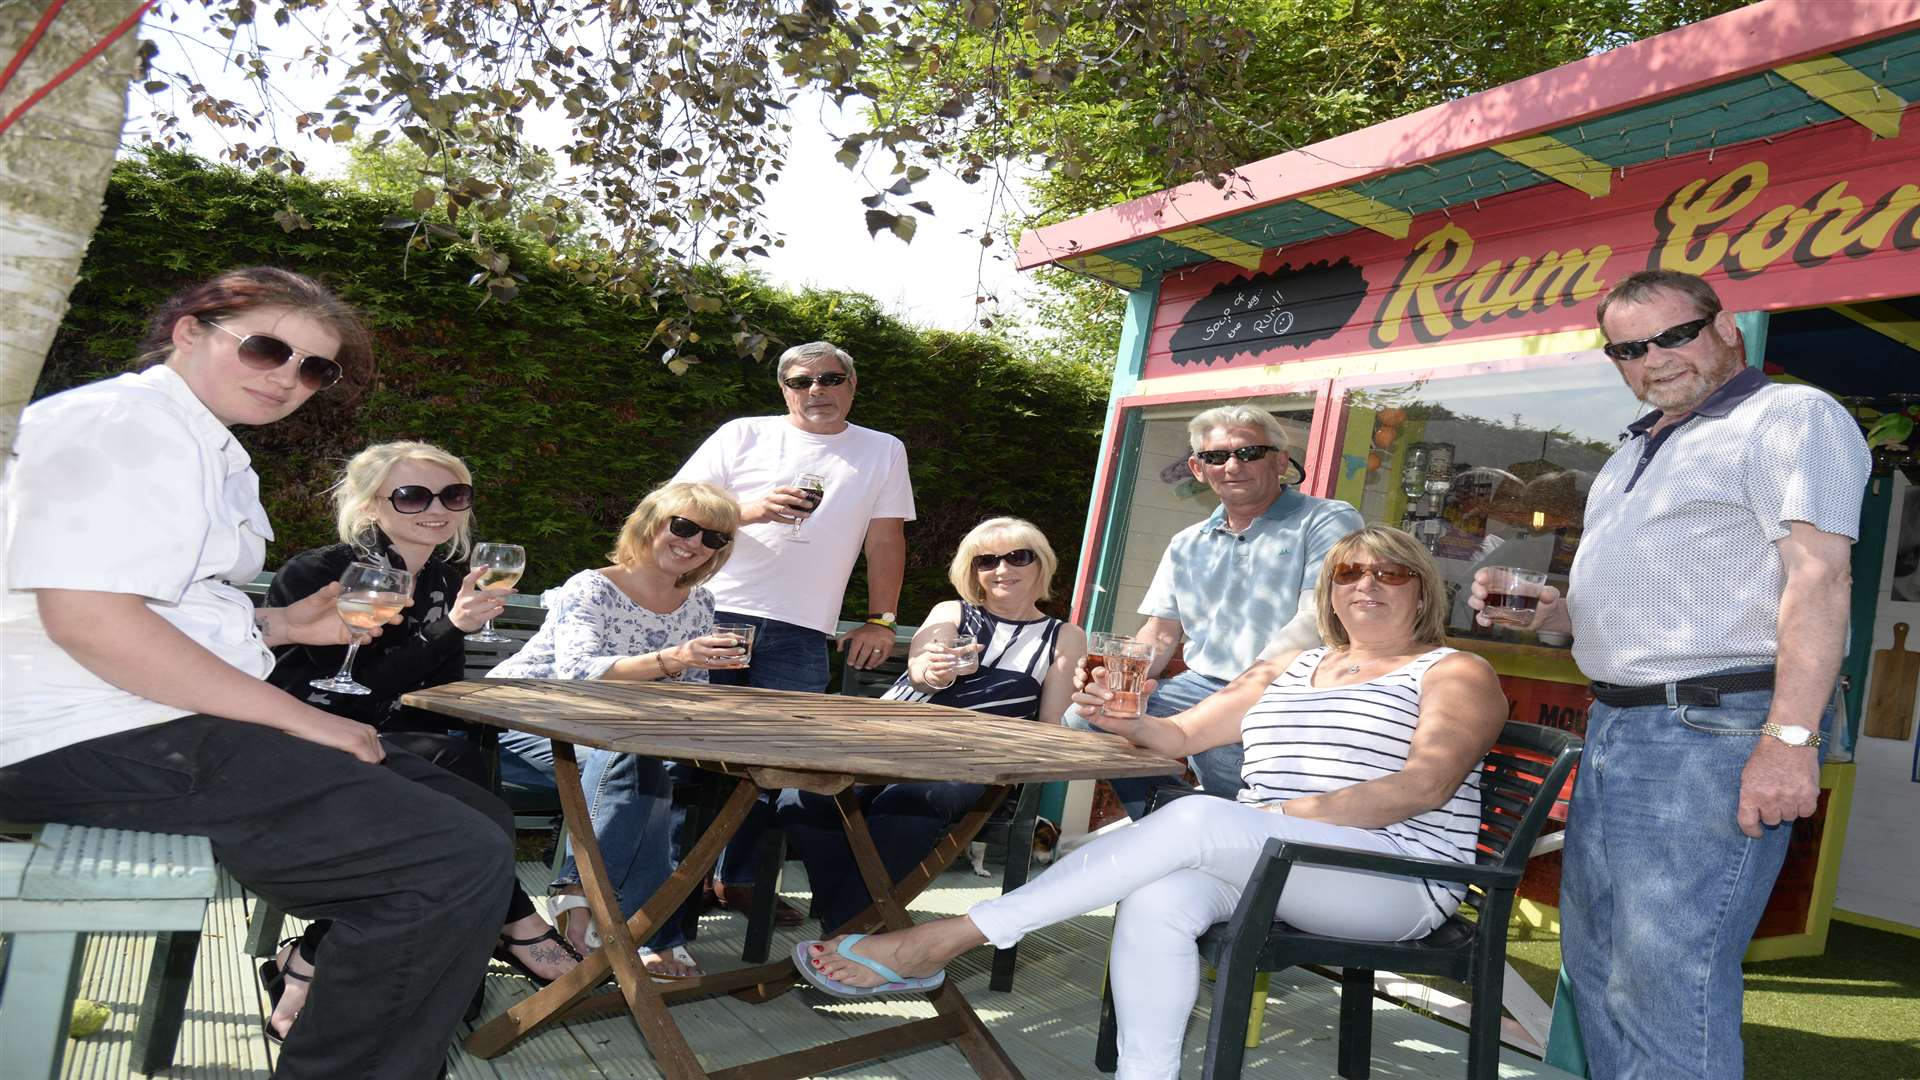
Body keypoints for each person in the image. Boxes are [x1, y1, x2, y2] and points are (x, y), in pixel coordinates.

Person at [0, 268, 514, 1077]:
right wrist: (304, 718)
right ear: (188, 331)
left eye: (315, 368)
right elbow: (91, 623)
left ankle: (328, 997)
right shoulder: (121, 425)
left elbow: (150, 606)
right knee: (446, 858)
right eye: (269, 348)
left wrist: (279, 624)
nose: (290, 377)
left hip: (133, 713)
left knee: (478, 820)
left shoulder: (200, 443)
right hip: (82, 727)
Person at [796, 526, 1505, 1080]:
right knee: (1159, 896)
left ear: (1423, 592)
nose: (1368, 585)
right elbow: (1180, 734)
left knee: (1196, 817)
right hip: (1279, 860)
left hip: (1396, 879)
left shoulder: (1454, 671)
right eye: (1349, 572)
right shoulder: (1291, 665)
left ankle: (945, 939)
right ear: (1329, 590)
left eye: (1392, 573)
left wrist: (1269, 821)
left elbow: (1423, 788)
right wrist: (1122, 719)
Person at [1468, 270, 1868, 1080]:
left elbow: (1820, 579)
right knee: (1605, 970)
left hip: (1712, 732)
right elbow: (1647, 609)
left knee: (1666, 980)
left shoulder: (1789, 416)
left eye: (1674, 334)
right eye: (1628, 348)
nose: (1654, 358)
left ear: (1727, 331)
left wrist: (1791, 740)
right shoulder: (1632, 448)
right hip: (1619, 727)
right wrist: (1549, 614)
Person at [263, 441, 579, 1032]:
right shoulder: (320, 574)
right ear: (372, 504)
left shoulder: (447, 578)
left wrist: (449, 634)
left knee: (458, 767)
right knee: (459, 778)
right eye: (412, 495)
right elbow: (348, 687)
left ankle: (312, 954)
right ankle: (514, 925)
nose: (436, 509)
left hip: (400, 745)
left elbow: (432, 694)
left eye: (453, 495)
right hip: (306, 736)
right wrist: (450, 627)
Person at [670, 340, 916, 918]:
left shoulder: (882, 450)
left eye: (830, 379)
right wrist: (748, 510)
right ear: (783, 388)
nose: (817, 391)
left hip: (804, 629)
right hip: (713, 612)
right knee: (684, 759)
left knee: (776, 764)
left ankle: (742, 881)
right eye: (801, 381)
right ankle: (677, 888)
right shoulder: (742, 435)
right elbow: (675, 506)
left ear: (852, 387)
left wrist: (881, 619)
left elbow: (886, 539)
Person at [775, 516, 1087, 931]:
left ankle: (844, 931)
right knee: (801, 797)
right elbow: (921, 665)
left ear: (1040, 564)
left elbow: (1051, 726)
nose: (1002, 569)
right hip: (892, 740)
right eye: (986, 560)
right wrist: (934, 674)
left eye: (1018, 557)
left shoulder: (1064, 636)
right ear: (971, 571)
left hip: (971, 762)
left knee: (907, 803)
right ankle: (856, 924)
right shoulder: (951, 612)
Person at [491, 481, 746, 979]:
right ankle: (651, 931)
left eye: (712, 539)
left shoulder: (699, 603)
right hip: (526, 716)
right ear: (650, 523)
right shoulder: (591, 586)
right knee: (635, 764)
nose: (694, 543)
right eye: (685, 526)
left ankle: (576, 899)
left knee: (639, 764)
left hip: (618, 738)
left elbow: (689, 692)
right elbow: (578, 672)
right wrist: (673, 658)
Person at [1079, 403, 1363, 817]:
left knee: (1225, 764)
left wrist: (1235, 695)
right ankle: (1178, 817)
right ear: (1198, 468)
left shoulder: (1326, 519)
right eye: (1215, 457)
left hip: (1286, 689)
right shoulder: (1187, 542)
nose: (1232, 465)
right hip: (1199, 684)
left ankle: (1226, 830)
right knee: (1087, 717)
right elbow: (1159, 632)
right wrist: (1117, 679)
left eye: (1248, 453)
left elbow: (1315, 621)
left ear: (1281, 461)